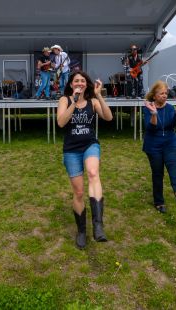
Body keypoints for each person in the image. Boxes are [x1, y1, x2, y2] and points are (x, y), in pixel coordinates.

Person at [57, 70, 113, 249]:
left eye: (82, 81)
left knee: (93, 172)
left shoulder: (93, 102)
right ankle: (81, 231)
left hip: (90, 145)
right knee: (79, 193)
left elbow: (108, 117)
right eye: (76, 81)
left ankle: (98, 225)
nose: (79, 83)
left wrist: (99, 95)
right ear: (71, 84)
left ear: (86, 84)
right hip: (71, 150)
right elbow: (61, 122)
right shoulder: (65, 100)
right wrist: (73, 101)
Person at [142, 80, 176, 213]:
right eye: (161, 93)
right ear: (154, 95)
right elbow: (149, 127)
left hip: (170, 142)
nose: (164, 95)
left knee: (174, 165)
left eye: (166, 93)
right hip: (153, 145)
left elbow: (173, 125)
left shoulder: (169, 108)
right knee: (158, 173)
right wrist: (154, 114)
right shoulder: (148, 108)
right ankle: (159, 202)